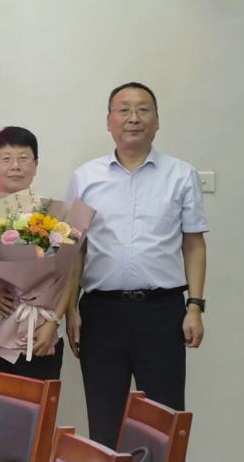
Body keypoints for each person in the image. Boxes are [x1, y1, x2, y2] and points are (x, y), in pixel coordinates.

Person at [67, 82, 207, 445]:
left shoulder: (181, 175)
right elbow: (75, 249)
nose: (134, 118)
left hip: (161, 314)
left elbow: (194, 244)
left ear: (157, 121)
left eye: (143, 110)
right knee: (104, 421)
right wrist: (71, 310)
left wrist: (195, 306)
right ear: (109, 121)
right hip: (101, 314)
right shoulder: (86, 177)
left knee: (164, 421)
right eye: (124, 110)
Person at [0, 126, 75, 382]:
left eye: (24, 158)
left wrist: (53, 322)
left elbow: (68, 275)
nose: (15, 166)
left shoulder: (56, 214)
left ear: (35, 165)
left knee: (38, 407)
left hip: (40, 333)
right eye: (6, 159)